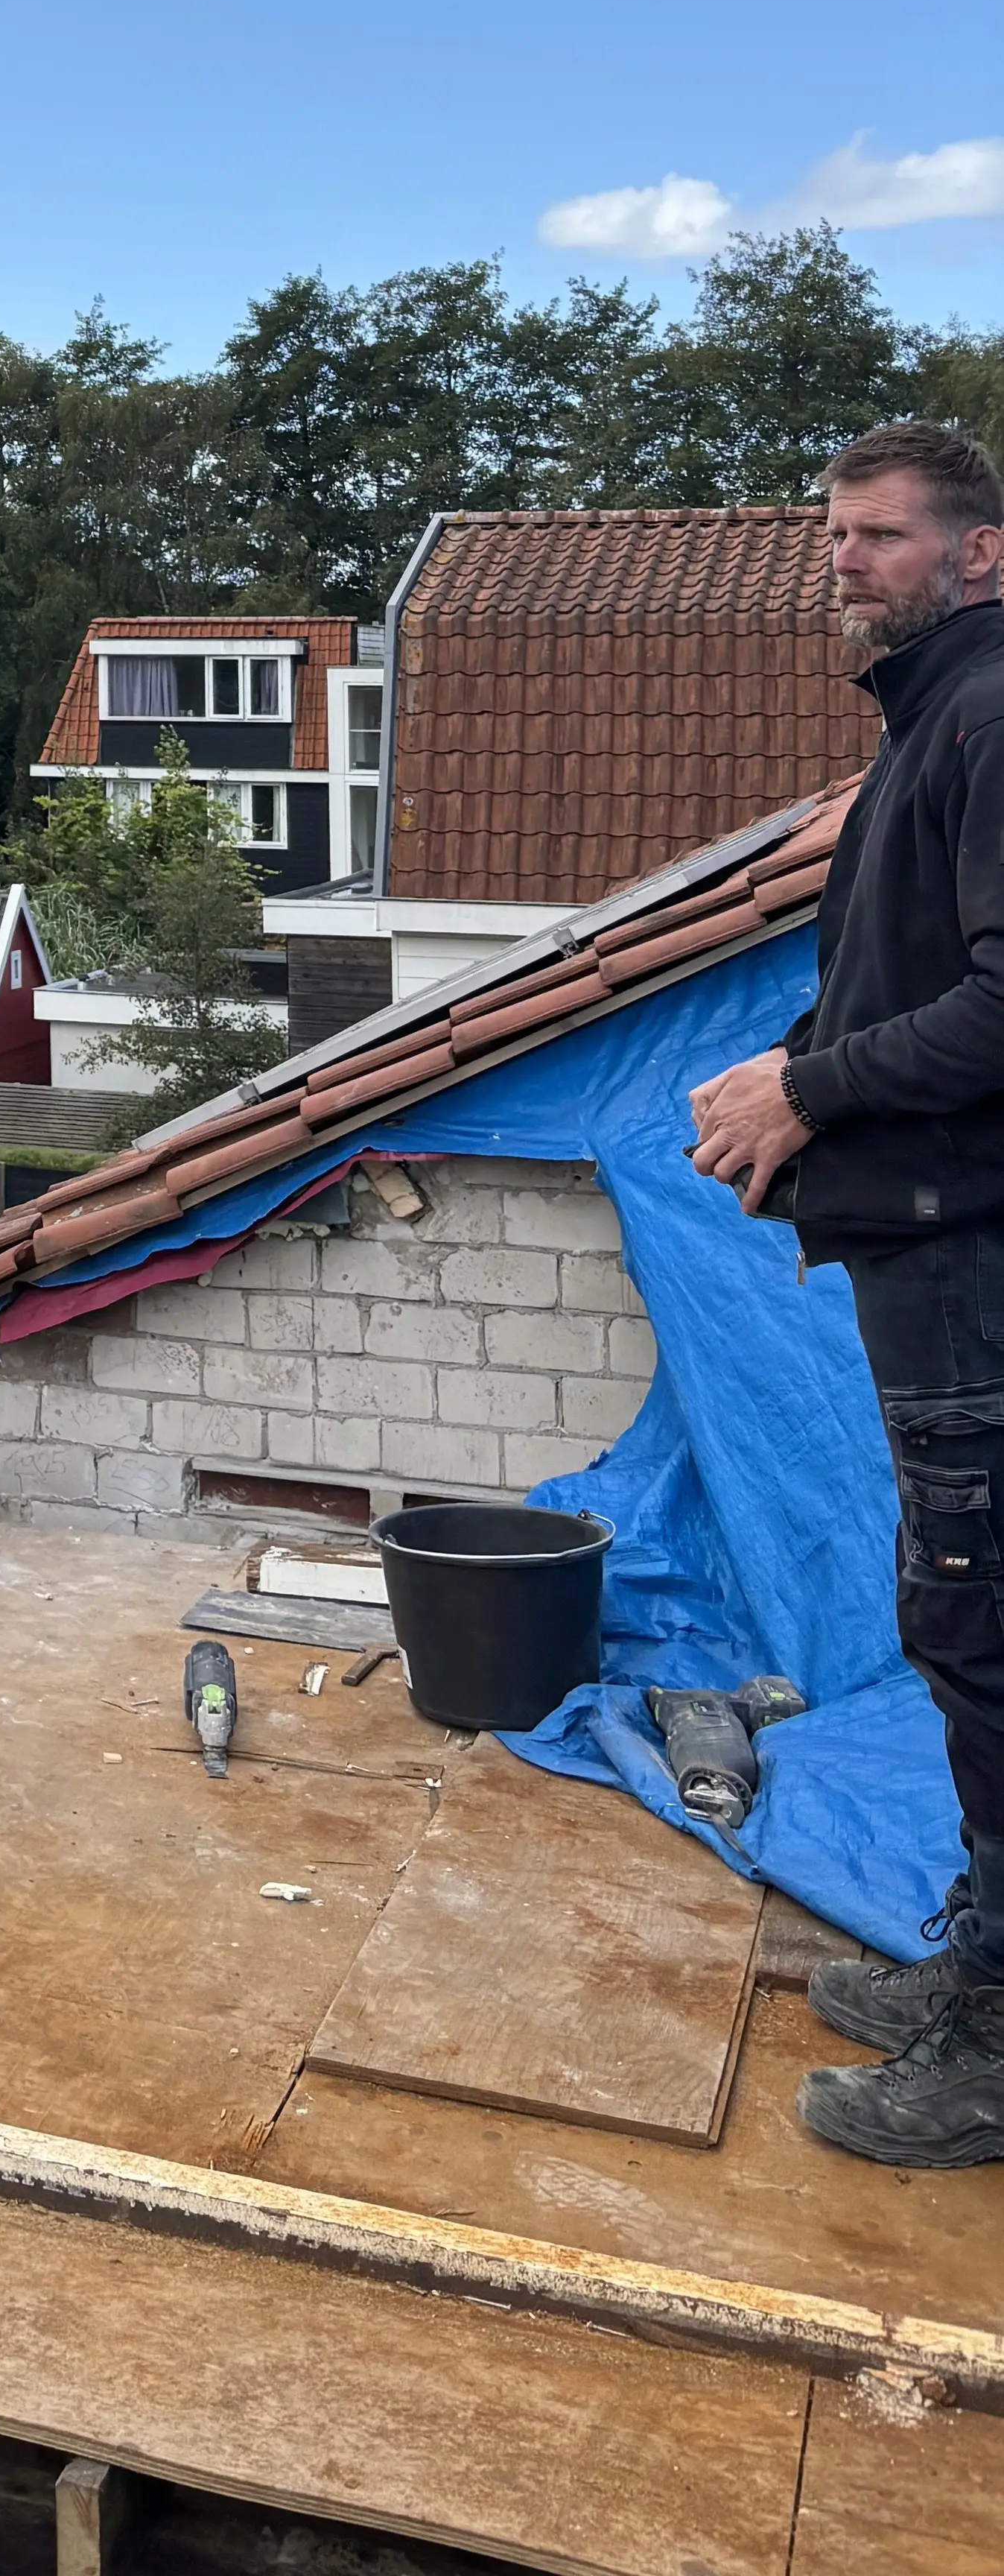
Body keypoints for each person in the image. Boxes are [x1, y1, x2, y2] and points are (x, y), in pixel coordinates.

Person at [686, 418, 1004, 2166]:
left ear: (984, 554)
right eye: (837, 537)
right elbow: (914, 981)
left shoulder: (993, 715)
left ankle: (1002, 2041)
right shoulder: (936, 721)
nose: (845, 562)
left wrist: (809, 1094)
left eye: (883, 536)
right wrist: (788, 1072)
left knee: (986, 1631)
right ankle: (981, 1959)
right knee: (967, 1631)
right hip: (935, 1259)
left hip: (978, 1270)